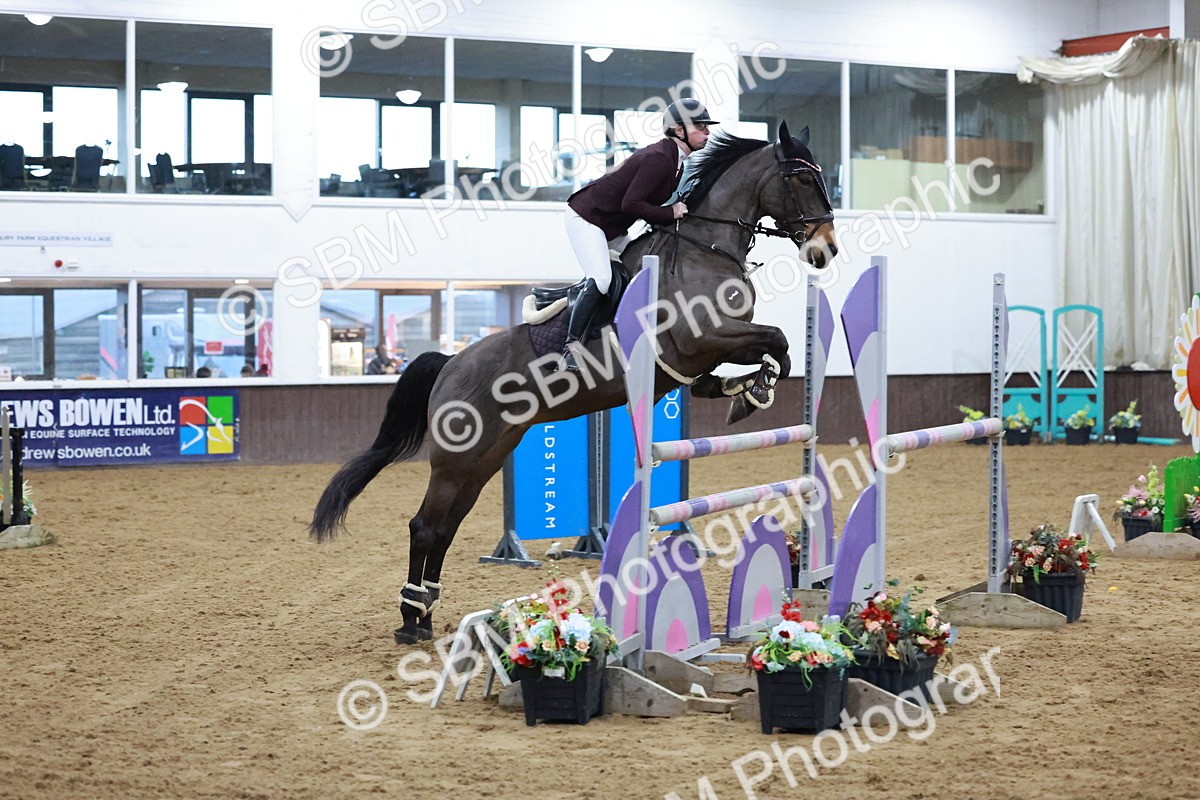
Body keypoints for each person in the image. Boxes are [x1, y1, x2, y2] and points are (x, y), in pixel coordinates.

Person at [560, 98, 717, 371]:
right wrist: (670, 212)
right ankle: (571, 349)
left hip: (610, 224)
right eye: (700, 126)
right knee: (602, 279)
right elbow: (631, 205)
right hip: (587, 218)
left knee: (630, 271)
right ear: (679, 130)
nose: (707, 131)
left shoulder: (676, 161)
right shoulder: (660, 159)